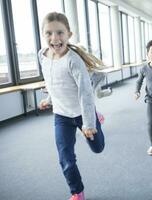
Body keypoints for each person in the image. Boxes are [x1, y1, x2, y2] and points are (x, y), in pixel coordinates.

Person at [38, 12, 105, 200]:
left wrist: (89, 123)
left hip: (83, 112)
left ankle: (96, 117)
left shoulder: (73, 61)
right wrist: (49, 100)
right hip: (61, 115)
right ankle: (77, 191)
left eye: (60, 32)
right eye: (49, 33)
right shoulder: (42, 56)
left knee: (98, 148)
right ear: (43, 35)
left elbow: (85, 94)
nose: (54, 38)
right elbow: (51, 81)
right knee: (65, 157)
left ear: (69, 34)